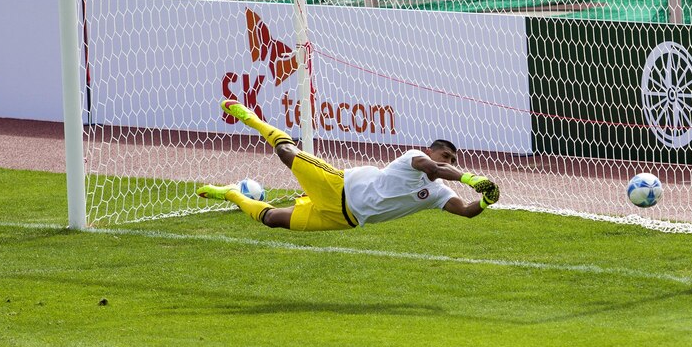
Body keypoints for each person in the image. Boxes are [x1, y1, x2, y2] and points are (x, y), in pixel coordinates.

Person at [197, 100, 500, 231]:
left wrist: (485, 200)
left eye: (453, 161)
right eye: (445, 156)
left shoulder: (438, 194)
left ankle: (231, 193)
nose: (448, 162)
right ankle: (251, 118)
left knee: (272, 220)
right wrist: (471, 179)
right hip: (339, 187)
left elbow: (466, 212)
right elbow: (434, 170)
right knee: (287, 152)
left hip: (345, 219)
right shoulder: (413, 159)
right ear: (430, 152)